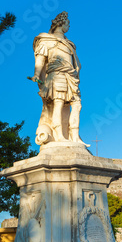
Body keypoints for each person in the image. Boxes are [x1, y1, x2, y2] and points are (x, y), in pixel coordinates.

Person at [32, 11, 83, 144]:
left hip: (70, 76)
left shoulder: (69, 44)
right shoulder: (46, 40)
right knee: (58, 105)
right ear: (61, 23)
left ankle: (75, 136)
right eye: (68, 23)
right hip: (56, 76)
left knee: (77, 105)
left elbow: (76, 64)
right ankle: (59, 135)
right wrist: (37, 74)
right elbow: (40, 60)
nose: (69, 26)